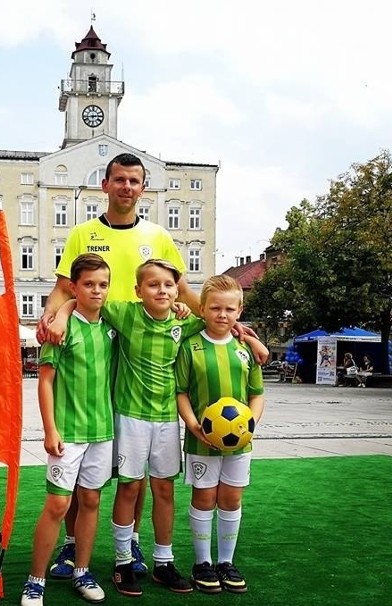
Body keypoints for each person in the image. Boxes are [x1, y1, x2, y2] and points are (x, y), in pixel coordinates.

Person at [37, 152, 268, 580]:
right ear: (104, 185)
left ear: (143, 188)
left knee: (137, 477)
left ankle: (134, 546)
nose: (127, 187)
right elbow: (66, 286)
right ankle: (71, 547)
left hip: (146, 353)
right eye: (119, 180)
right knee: (89, 464)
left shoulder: (157, 236)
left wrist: (225, 322)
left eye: (135, 181)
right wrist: (58, 314)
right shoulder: (82, 234)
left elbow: (183, 288)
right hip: (98, 349)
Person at [51, 259, 209, 596]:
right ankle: (123, 562)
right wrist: (62, 314)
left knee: (164, 490)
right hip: (129, 417)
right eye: (153, 285)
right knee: (130, 489)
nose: (162, 290)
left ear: (177, 290)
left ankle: (163, 563)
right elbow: (80, 297)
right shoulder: (124, 314)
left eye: (169, 285)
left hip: (167, 420)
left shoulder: (186, 323)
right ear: (138, 291)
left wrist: (249, 338)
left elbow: (218, 321)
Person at [20, 254, 116, 606]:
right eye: (88, 284)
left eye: (103, 284)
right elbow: (45, 383)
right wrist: (50, 430)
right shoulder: (59, 330)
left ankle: (82, 571)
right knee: (59, 504)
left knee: (90, 499)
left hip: (102, 432)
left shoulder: (112, 326)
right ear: (74, 287)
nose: (97, 290)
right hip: (68, 433)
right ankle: (35, 580)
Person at [175, 274, 265, 594]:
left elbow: (256, 393)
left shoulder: (244, 348)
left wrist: (250, 424)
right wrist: (193, 424)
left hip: (240, 442)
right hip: (202, 440)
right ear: (203, 308)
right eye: (215, 308)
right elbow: (182, 392)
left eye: (229, 309)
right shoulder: (191, 347)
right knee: (204, 497)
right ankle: (202, 563)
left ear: (239, 310)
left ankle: (225, 561)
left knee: (231, 498)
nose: (222, 315)